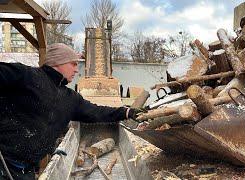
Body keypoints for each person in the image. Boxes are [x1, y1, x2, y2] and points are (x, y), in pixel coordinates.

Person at [0, 43, 141, 179]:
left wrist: (126, 112)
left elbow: (96, 111)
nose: (76, 69)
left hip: (26, 170)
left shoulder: (69, 98)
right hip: (4, 163)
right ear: (58, 62)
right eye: (73, 64)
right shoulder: (27, 76)